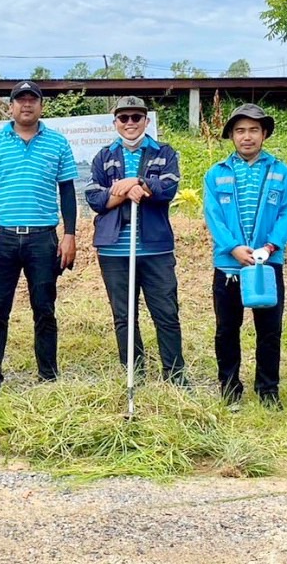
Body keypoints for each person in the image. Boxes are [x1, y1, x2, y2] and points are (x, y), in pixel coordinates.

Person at [0, 80, 78, 397]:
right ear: (11, 106)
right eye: (20, 100)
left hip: (43, 239)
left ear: (41, 106)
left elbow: (68, 193)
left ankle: (47, 376)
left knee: (45, 309)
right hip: (2, 238)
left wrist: (69, 234)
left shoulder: (58, 144)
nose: (26, 105)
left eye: (33, 100)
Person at [203, 103, 287, 410]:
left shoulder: (280, 172)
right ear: (231, 135)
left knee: (269, 331)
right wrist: (232, 247)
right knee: (227, 329)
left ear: (264, 134)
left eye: (254, 130)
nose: (247, 137)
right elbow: (214, 216)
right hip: (229, 266)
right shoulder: (216, 174)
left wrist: (270, 247)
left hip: (267, 266)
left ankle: (268, 391)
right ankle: (230, 389)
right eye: (240, 130)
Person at [85, 96, 186, 385]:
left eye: (136, 117)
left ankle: (175, 374)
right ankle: (134, 372)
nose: (130, 123)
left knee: (166, 312)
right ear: (115, 122)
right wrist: (128, 191)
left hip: (155, 248)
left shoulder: (163, 152)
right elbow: (95, 198)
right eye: (124, 118)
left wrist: (137, 182)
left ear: (146, 121)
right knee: (124, 315)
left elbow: (167, 189)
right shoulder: (103, 157)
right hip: (114, 250)